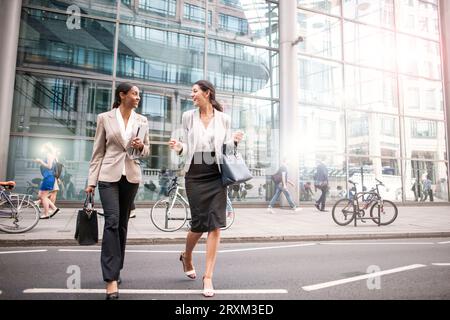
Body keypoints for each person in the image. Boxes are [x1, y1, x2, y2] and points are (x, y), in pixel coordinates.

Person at [169, 80, 243, 297]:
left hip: (216, 173)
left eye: (195, 91)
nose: (192, 95)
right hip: (195, 173)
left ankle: (208, 277)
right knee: (199, 225)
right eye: (191, 92)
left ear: (206, 93)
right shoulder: (187, 117)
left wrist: (235, 142)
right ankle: (187, 256)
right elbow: (187, 147)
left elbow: (226, 149)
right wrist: (178, 147)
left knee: (216, 225)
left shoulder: (224, 119)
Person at [85, 82, 150, 300]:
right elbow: (98, 152)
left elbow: (146, 151)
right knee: (112, 222)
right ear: (122, 95)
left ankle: (116, 267)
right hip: (107, 176)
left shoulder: (142, 120)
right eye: (134, 93)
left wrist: (141, 146)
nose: (138, 97)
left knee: (122, 224)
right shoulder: (105, 118)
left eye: (139, 94)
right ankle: (110, 280)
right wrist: (91, 182)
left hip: (130, 177)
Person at [35, 143, 60, 219]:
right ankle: (54, 209)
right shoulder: (51, 155)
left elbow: (49, 166)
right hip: (49, 177)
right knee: (43, 196)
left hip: (48, 177)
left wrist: (40, 162)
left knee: (43, 196)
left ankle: (46, 213)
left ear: (46, 149)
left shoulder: (49, 155)